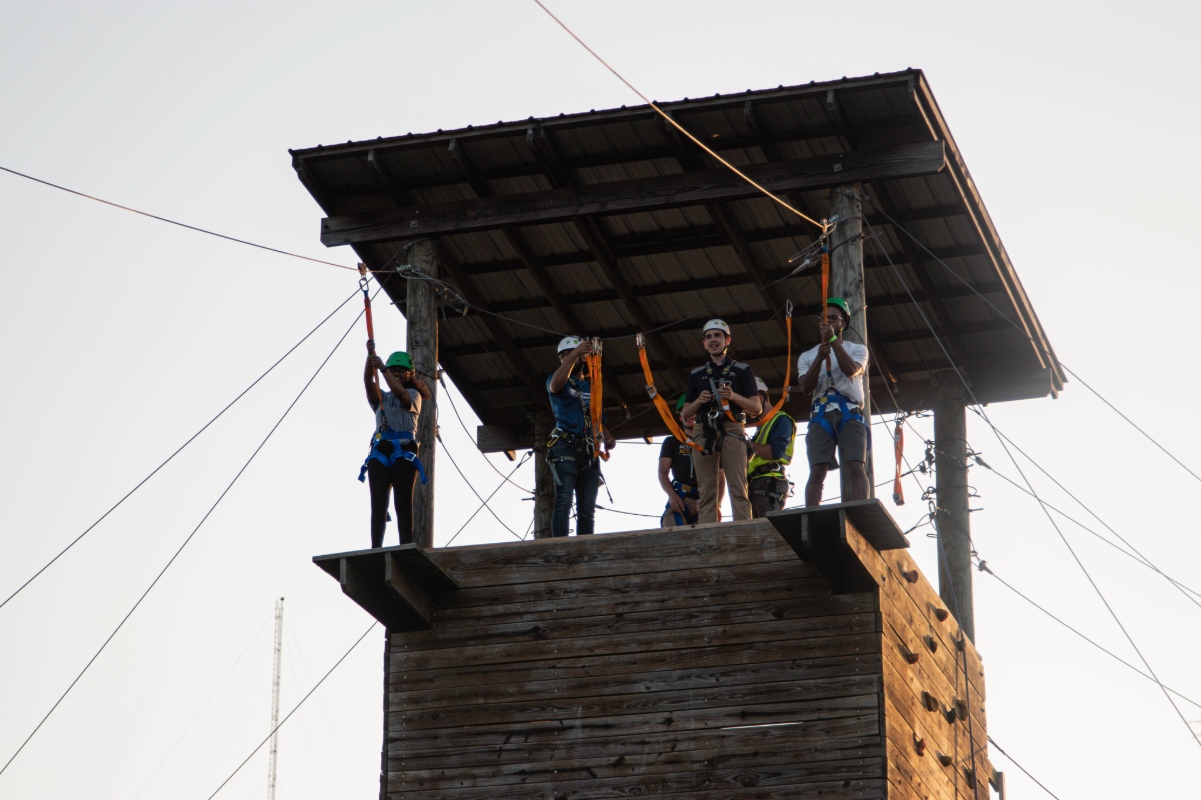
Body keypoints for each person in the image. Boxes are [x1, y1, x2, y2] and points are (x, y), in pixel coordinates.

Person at [681, 319, 761, 522]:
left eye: (717, 336)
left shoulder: (742, 370)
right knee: (707, 489)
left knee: (738, 485)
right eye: (708, 337)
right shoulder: (697, 374)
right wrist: (699, 400)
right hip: (703, 428)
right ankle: (708, 534)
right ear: (704, 343)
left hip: (732, 426)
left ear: (727, 340)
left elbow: (756, 407)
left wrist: (733, 396)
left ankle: (743, 530)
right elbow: (684, 413)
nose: (713, 340)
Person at [796, 298, 870, 506]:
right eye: (824, 319)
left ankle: (860, 511)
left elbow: (851, 370)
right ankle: (811, 514)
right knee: (817, 469)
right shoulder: (808, 356)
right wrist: (819, 358)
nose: (827, 322)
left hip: (850, 411)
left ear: (843, 324)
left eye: (833, 318)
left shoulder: (857, 349)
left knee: (855, 464)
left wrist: (833, 341)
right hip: (821, 413)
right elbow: (805, 387)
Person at [358, 343, 432, 548]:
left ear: (410, 375)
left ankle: (405, 545)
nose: (398, 373)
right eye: (394, 370)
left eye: (402, 371)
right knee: (378, 503)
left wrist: (383, 369)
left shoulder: (414, 396)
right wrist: (369, 357)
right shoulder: (381, 398)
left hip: (404, 449)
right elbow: (367, 382)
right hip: (381, 449)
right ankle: (376, 548)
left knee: (402, 501)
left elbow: (400, 393)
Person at [546, 336, 616, 537]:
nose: (571, 358)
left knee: (587, 509)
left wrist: (608, 438)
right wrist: (576, 353)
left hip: (588, 452)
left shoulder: (592, 387)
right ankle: (559, 546)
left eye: (574, 354)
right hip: (565, 448)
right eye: (566, 356)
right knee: (564, 501)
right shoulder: (555, 379)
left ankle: (584, 546)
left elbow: (597, 422)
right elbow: (554, 387)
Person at [658, 396, 726, 527]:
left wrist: (717, 503)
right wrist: (672, 496)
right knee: (673, 534)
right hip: (681, 498)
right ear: (680, 417)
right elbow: (662, 473)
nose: (690, 416)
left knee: (706, 539)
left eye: (693, 412)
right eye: (686, 412)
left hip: (704, 499)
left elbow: (721, 478)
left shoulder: (710, 442)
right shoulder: (672, 441)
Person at [747, 377, 796, 517]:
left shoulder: (781, 420)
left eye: (748, 403)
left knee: (767, 530)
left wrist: (747, 444)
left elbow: (776, 452)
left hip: (769, 482)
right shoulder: (761, 428)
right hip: (756, 483)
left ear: (760, 398)